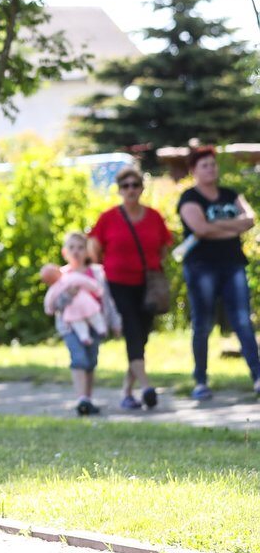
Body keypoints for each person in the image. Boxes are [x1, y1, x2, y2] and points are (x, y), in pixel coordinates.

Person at [177, 145, 260, 400]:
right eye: (204, 165)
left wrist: (217, 225)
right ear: (193, 170)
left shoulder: (229, 193)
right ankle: (200, 380)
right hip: (201, 267)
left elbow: (250, 219)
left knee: (242, 321)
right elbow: (200, 229)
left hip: (233, 263)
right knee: (203, 324)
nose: (211, 169)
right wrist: (232, 227)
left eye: (213, 164)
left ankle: (257, 376)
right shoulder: (189, 198)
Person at [88, 166, 173, 410]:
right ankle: (146, 387)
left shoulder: (154, 217)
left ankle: (127, 391)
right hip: (118, 284)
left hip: (147, 285)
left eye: (135, 185)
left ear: (142, 188)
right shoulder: (109, 218)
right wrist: (101, 267)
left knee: (142, 337)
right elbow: (94, 245)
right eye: (125, 186)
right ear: (119, 190)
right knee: (133, 330)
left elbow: (164, 246)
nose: (131, 190)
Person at [45, 232, 120, 416]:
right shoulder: (60, 276)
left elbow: (107, 300)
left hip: (95, 323)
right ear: (65, 252)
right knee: (79, 358)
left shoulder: (96, 273)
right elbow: (53, 305)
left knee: (91, 360)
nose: (76, 252)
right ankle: (81, 399)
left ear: (87, 251)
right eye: (72, 248)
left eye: (80, 247)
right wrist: (68, 294)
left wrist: (114, 322)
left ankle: (87, 398)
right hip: (71, 325)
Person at [40, 263, 106, 346]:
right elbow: (49, 302)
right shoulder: (57, 287)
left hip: (84, 305)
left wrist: (97, 290)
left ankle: (100, 330)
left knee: (94, 317)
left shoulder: (70, 277)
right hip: (75, 310)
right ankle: (86, 337)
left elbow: (85, 282)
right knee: (80, 322)